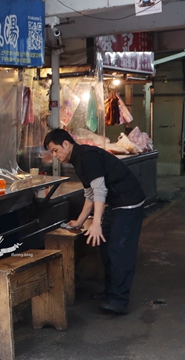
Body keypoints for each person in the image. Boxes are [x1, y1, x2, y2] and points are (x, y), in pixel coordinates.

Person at [43, 129, 146, 315]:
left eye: (55, 150)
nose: (55, 155)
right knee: (105, 246)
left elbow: (99, 191)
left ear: (66, 144)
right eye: (52, 153)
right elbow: (90, 193)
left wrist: (96, 223)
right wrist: (80, 221)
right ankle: (110, 291)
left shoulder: (87, 157)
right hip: (115, 204)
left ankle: (119, 300)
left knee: (120, 250)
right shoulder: (78, 159)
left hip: (128, 203)